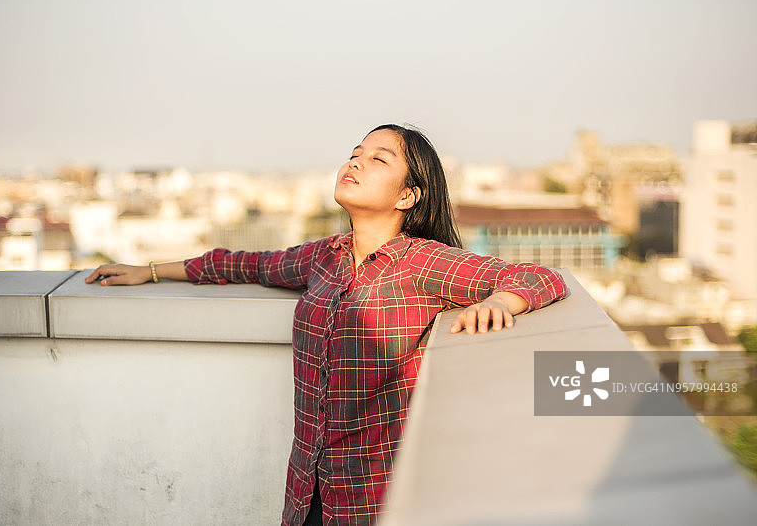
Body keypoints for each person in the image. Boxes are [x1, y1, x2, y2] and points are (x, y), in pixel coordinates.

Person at [86, 124, 568, 525]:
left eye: (377, 159)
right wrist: (150, 271)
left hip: (376, 498)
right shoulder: (325, 257)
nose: (355, 163)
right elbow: (244, 264)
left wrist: (500, 301)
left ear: (407, 195)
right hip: (306, 492)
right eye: (355, 154)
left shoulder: (423, 263)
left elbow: (539, 277)